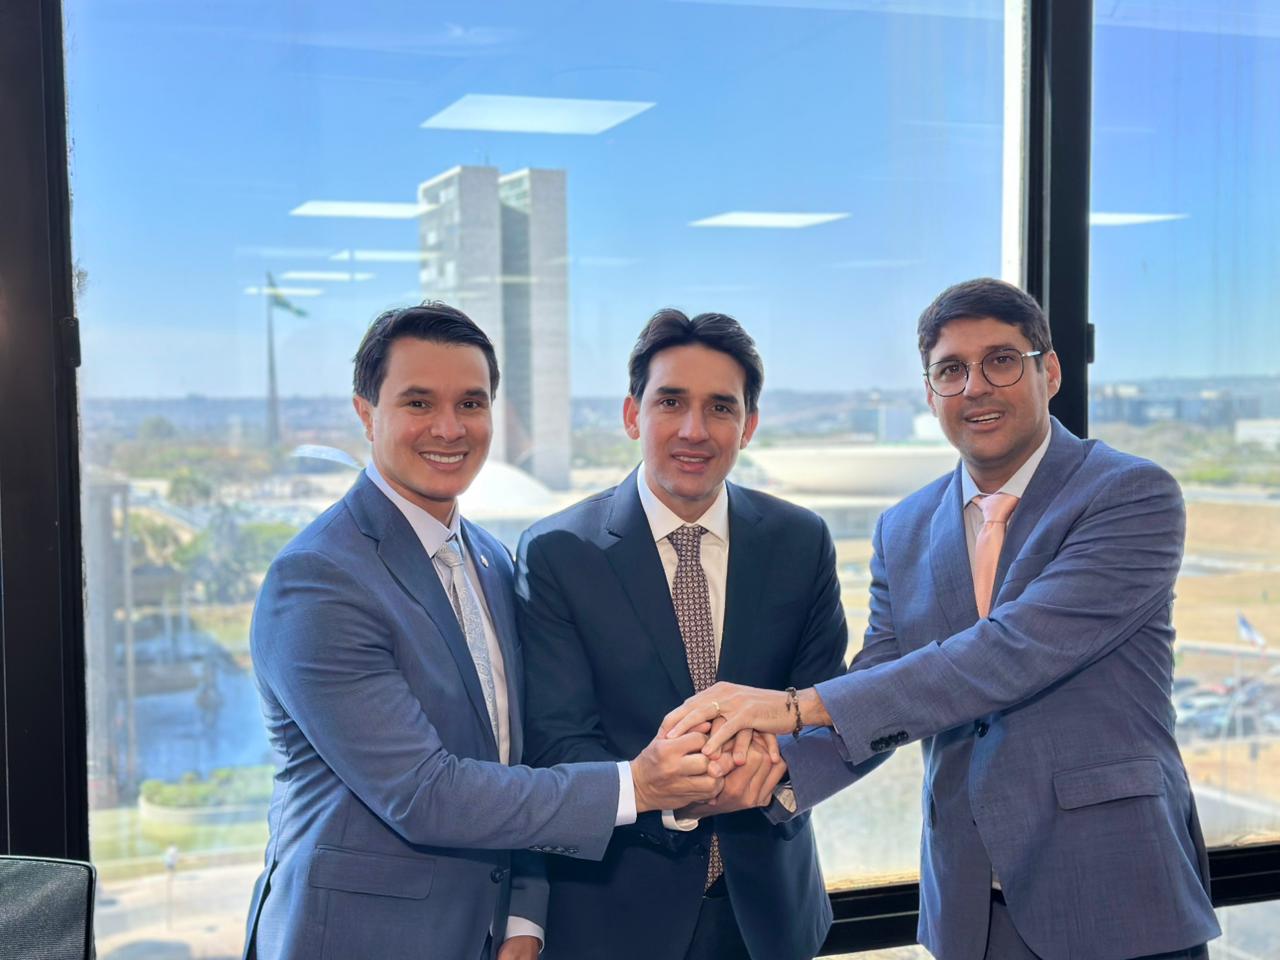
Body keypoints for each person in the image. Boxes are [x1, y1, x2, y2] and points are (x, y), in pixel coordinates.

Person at [664, 279, 1221, 960]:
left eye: (1001, 361)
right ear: (930, 395)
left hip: (1115, 889)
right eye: (950, 370)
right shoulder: (903, 527)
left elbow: (1010, 653)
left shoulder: (1130, 494)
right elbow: (883, 686)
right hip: (968, 909)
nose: (975, 387)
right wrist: (769, 773)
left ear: (1049, 371)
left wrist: (790, 707)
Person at [243, 303, 723, 960]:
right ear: (366, 413)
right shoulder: (318, 578)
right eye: (419, 402)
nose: (449, 428)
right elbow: (424, 792)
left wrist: (524, 912)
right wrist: (635, 784)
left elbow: (513, 759)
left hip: (487, 936)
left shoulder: (492, 560)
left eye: (470, 403)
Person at [517, 309, 847, 960]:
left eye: (721, 407)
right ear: (632, 415)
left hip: (770, 917)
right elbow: (556, 738)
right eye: (671, 402)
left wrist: (778, 771)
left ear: (748, 426)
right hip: (615, 916)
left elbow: (827, 708)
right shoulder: (557, 552)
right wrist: (678, 790)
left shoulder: (801, 541)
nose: (695, 430)